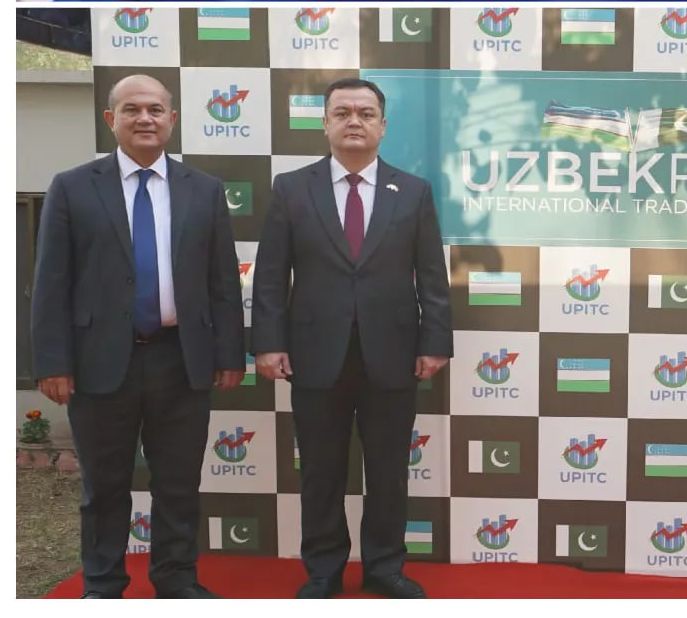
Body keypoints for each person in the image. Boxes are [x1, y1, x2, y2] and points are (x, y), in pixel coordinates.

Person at [31, 74, 245, 599]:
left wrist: (229, 354)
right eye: (131, 109)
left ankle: (176, 580)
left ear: (172, 118)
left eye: (154, 109)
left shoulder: (204, 189)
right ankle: (103, 585)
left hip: (182, 361)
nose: (144, 118)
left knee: (178, 484)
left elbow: (222, 282)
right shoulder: (72, 186)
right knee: (104, 487)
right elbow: (51, 281)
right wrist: (52, 362)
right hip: (100, 362)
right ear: (112, 120)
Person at [251, 78, 452, 599]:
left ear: (383, 126)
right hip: (315, 355)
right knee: (321, 471)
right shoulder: (292, 188)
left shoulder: (413, 191)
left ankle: (385, 567)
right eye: (342, 112)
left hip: (393, 355)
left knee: (388, 472)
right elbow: (270, 275)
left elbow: (432, 276)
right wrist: (268, 342)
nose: (354, 121)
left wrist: (435, 341)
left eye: (366, 113)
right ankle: (323, 571)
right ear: (325, 124)